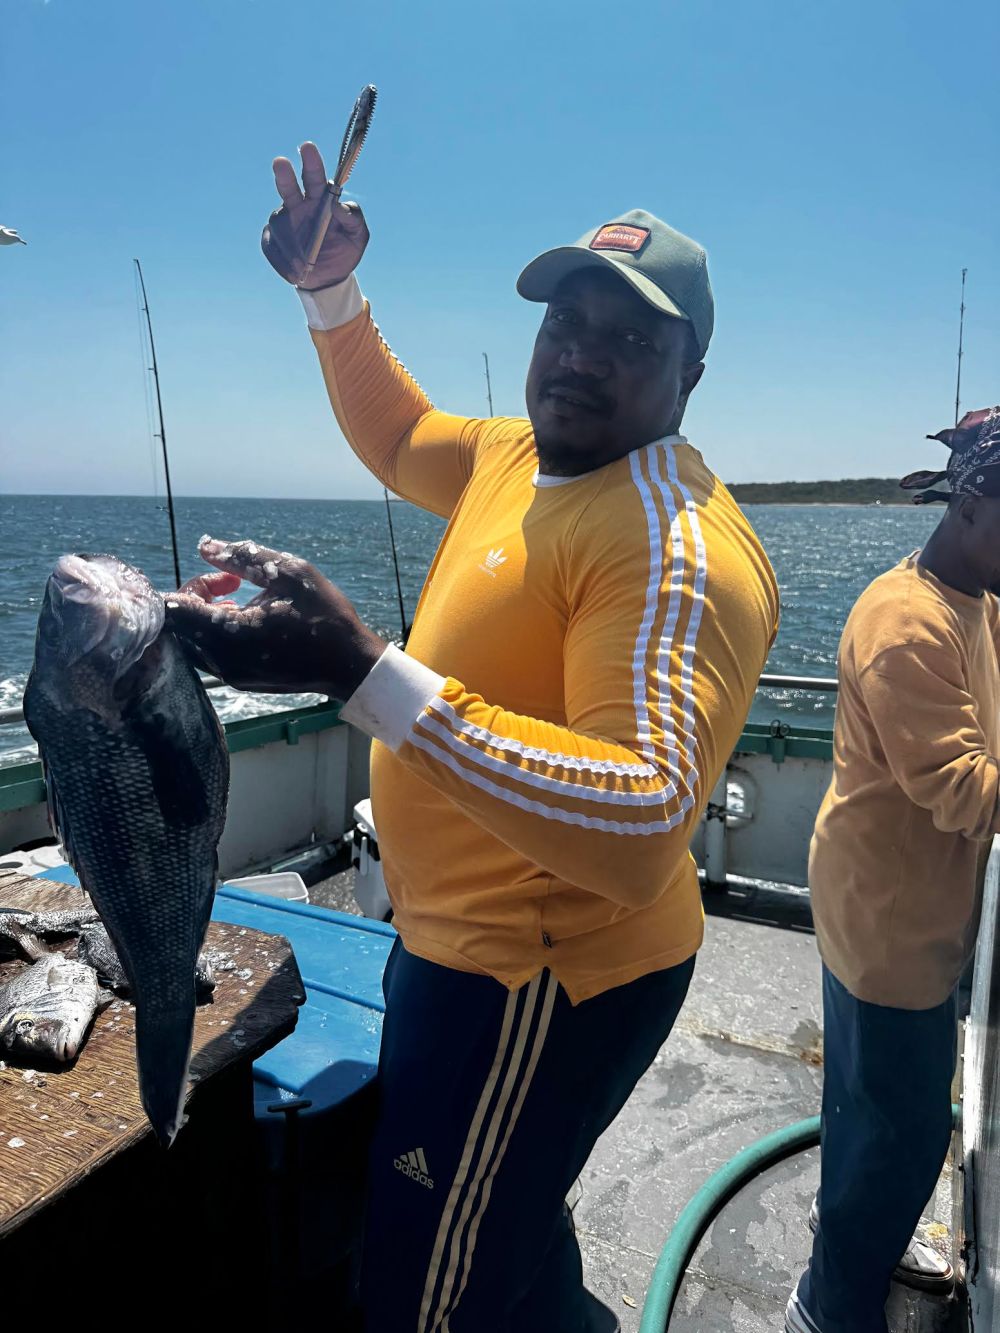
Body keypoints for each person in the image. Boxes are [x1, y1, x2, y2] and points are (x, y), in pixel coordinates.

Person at [167, 141, 779, 1332]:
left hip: (539, 980)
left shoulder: (671, 544)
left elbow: (644, 819)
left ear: (690, 373)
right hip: (455, 944)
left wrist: (359, 670)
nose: (582, 354)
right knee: (503, 1211)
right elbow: (400, 438)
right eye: (568, 321)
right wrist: (329, 294)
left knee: (422, 1291)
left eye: (630, 339)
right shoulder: (514, 453)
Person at [786, 405, 1000, 1333]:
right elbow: (960, 788)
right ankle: (829, 1307)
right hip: (888, 927)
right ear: (971, 502)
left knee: (870, 1110)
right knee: (904, 1134)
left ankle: (859, 1227)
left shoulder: (980, 599)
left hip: (900, 905)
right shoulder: (907, 622)